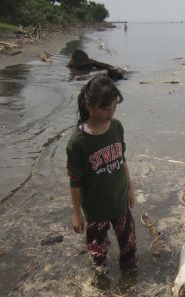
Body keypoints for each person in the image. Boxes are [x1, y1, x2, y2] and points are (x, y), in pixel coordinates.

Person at [66, 75, 137, 272]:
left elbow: (121, 160)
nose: (111, 113)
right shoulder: (78, 143)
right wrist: (76, 212)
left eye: (114, 107)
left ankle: (129, 278)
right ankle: (101, 283)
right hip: (96, 209)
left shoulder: (116, 127)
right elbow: (75, 180)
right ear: (89, 106)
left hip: (120, 201)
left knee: (129, 249)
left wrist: (130, 189)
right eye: (106, 108)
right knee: (98, 257)